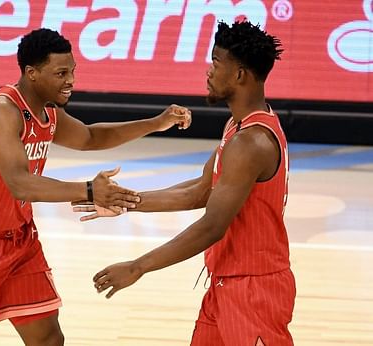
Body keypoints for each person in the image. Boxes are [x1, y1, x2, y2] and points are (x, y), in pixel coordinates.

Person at [0, 28, 191, 346]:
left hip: (19, 240)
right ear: (32, 73)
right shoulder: (1, 112)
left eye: (73, 71)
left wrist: (156, 123)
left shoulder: (48, 112)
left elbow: (91, 137)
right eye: (61, 73)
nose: (71, 80)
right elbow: (20, 183)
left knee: (48, 338)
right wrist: (89, 190)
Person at [76, 21, 295, 345]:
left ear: (239, 75)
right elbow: (201, 191)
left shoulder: (251, 143)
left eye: (216, 62)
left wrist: (138, 267)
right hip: (225, 284)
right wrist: (124, 201)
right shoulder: (238, 126)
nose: (208, 71)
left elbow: (211, 227)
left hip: (253, 291)